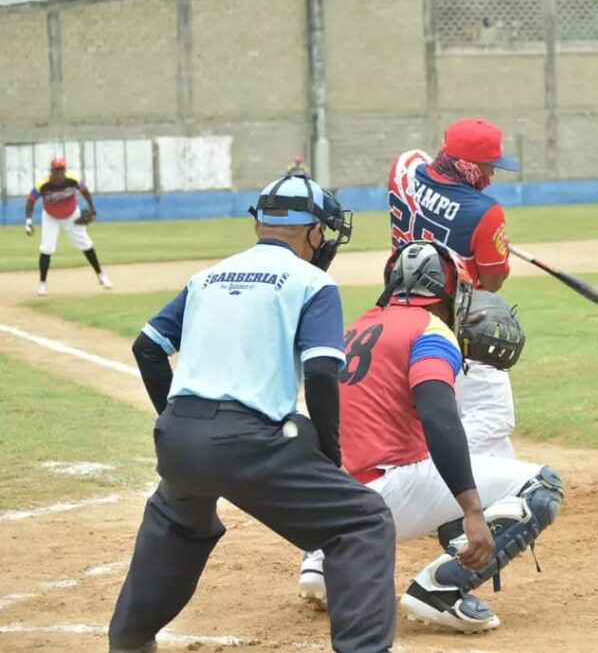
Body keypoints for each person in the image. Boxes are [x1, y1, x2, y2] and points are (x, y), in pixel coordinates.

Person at [107, 172, 396, 653]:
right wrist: (330, 455)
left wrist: (179, 424)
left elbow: (148, 348)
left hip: (179, 437)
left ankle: (129, 640)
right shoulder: (313, 282)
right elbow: (321, 371)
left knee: (180, 521)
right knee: (363, 522)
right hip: (249, 442)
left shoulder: (206, 277)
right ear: (314, 232)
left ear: (260, 223)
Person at [297, 241, 562, 634]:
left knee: (413, 454)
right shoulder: (431, 331)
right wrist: (472, 510)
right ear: (449, 289)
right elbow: (439, 419)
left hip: (329, 499)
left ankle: (324, 560)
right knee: (543, 485)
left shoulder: (361, 325)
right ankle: (439, 590)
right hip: (381, 496)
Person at [386, 118, 519, 459]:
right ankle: (425, 461)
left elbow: (421, 161)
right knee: (493, 417)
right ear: (467, 166)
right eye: (487, 167)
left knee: (432, 409)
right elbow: (492, 282)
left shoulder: (403, 168)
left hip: (398, 311)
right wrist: (498, 250)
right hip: (456, 324)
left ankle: (504, 481)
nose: (491, 176)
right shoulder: (485, 212)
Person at [25, 157, 113, 296]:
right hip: (50, 217)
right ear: (51, 171)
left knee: (84, 243)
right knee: (47, 248)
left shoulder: (73, 179)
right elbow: (30, 200)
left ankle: (101, 275)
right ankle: (42, 284)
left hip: (71, 214)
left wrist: (92, 209)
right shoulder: (43, 184)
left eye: (61, 170)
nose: (59, 173)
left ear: (65, 170)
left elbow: (85, 192)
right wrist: (29, 222)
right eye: (56, 170)